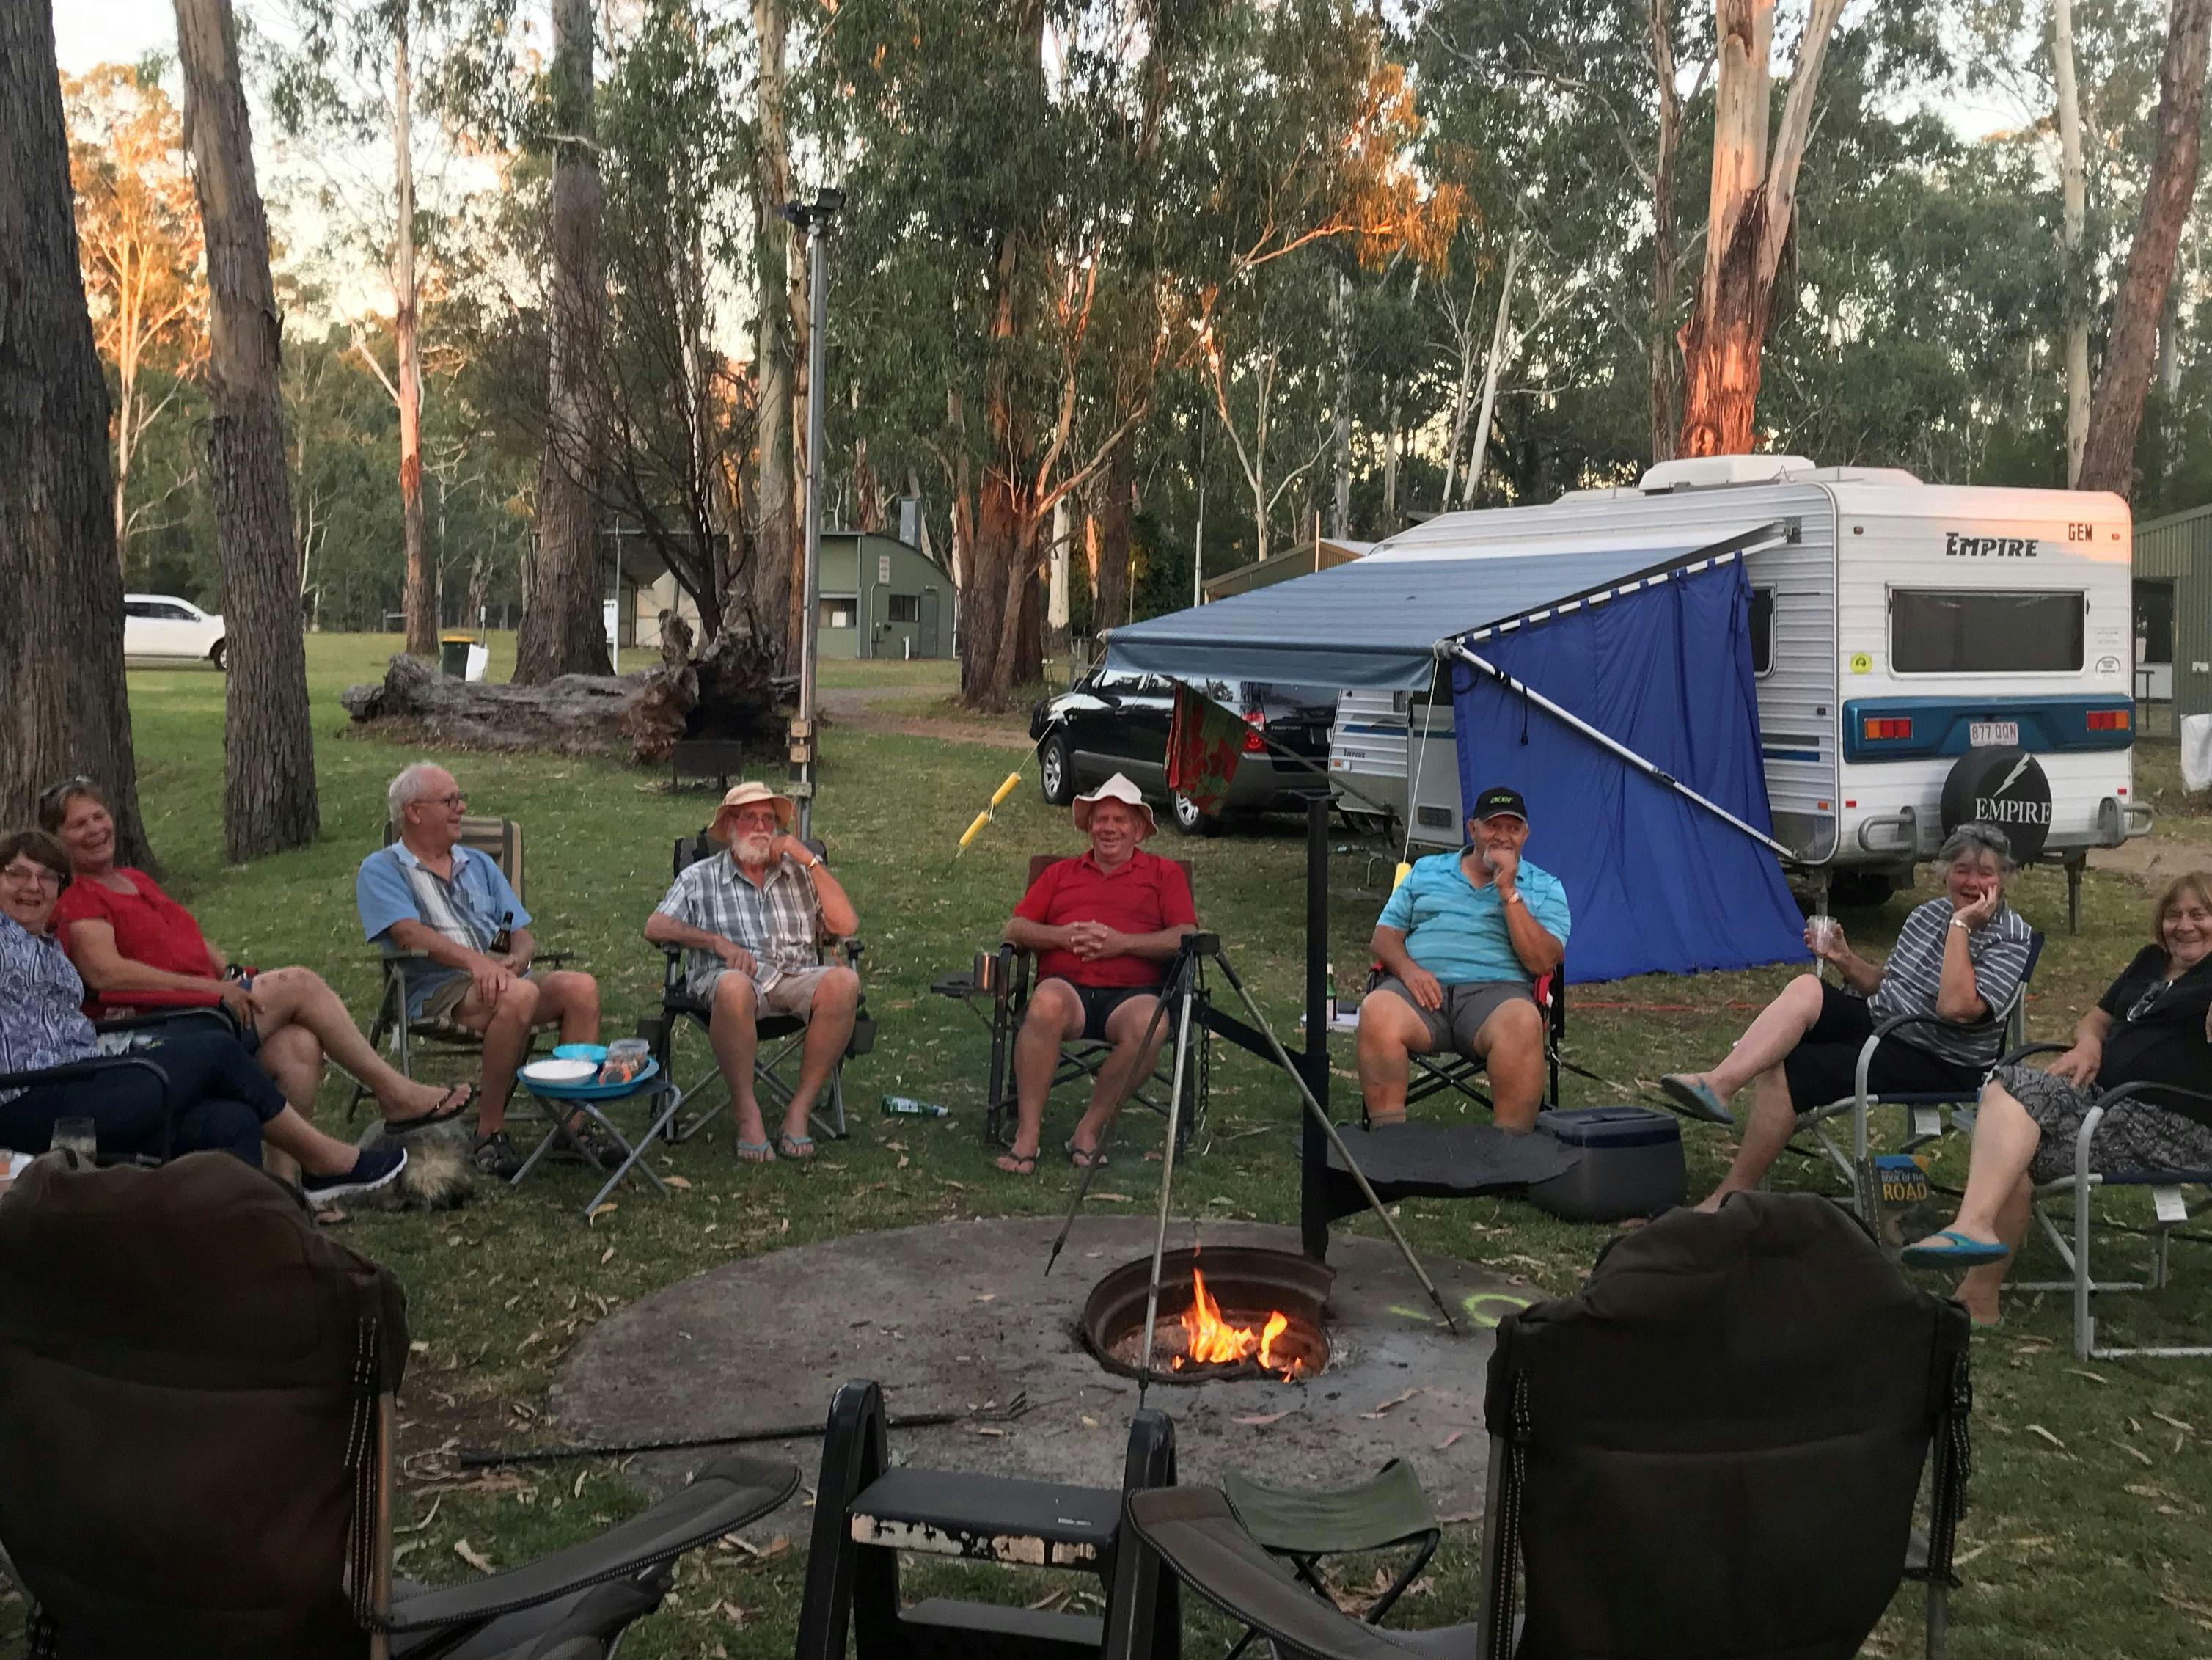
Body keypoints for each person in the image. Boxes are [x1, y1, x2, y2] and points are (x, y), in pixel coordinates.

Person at [40, 778, 473, 1145]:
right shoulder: (79, 897)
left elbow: (178, 944)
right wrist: (212, 988)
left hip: (201, 1003)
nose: (95, 829)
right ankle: (395, 1094)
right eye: (79, 824)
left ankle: (292, 1188)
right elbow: (106, 973)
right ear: (57, 841)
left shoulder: (132, 879)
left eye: (99, 816)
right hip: (160, 1027)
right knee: (299, 983)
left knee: (298, 1047)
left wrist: (215, 966)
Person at [0, 829, 406, 1200]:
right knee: (215, 1051)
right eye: (16, 873)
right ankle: (326, 1162)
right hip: (33, 1100)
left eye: (46, 876)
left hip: (91, 1075)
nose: (32, 886)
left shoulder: (47, 946)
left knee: (231, 1120)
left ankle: (247, 1240)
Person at [1663, 823, 2036, 1210]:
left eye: (1985, 872)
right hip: (1884, 1025)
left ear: (2003, 879)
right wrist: (1845, 959)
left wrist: (1961, 926)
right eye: (1961, 869)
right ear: (1944, 873)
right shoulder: (1927, 915)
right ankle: (1719, 1085)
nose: (1972, 881)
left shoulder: (2011, 936)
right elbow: (1887, 986)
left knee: (1789, 1067)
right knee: (1808, 988)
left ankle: (1729, 1195)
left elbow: (1955, 1009)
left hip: (1939, 1056)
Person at [1902, 872, 2212, 1322]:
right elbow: (2095, 1019)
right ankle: (1975, 1243)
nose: (2184, 926)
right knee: (2007, 1083)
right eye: (2173, 915)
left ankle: (1976, 1282)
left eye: (2199, 915)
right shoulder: (2151, 961)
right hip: (2103, 1102)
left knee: (2012, 1152)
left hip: (2168, 1124)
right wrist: (2089, 1043)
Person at [356, 763, 603, 1179]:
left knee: (580, 987)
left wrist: (518, 958)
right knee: (519, 995)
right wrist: (477, 963)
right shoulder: (381, 869)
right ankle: (489, 1134)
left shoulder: (479, 864)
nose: (462, 808)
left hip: (500, 980)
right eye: (450, 800)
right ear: (414, 811)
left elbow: (519, 931)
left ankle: (573, 1129)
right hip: (436, 989)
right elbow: (406, 934)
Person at [642, 782, 861, 1163]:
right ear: (730, 825)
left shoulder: (799, 872)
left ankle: (798, 1112)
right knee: (733, 986)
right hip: (732, 985)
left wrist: (806, 858)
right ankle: (747, 1114)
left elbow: (846, 926)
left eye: (769, 820)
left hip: (794, 976)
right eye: (749, 819)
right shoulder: (700, 877)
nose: (761, 828)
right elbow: (655, 926)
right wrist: (715, 943)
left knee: (845, 982)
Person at [998, 774, 1197, 1174]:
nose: (1109, 828)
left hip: (1133, 993)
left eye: (1120, 821)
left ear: (1139, 830)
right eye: (1101, 819)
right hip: (1067, 987)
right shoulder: (1060, 874)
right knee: (1045, 1007)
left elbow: (1186, 935)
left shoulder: (1164, 874)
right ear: (1089, 826)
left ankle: (1088, 1130)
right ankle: (1028, 1134)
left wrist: (1122, 944)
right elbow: (1015, 929)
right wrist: (1061, 936)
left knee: (1149, 1026)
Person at [1355, 786, 1570, 1132]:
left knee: (1522, 1023)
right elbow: (1383, 938)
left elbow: (1541, 962)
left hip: (1497, 999)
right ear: (1472, 829)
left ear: (1525, 835)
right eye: (1492, 827)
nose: (1502, 837)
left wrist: (1508, 891)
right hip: (1419, 993)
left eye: (1512, 829)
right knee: (1377, 1011)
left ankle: (1509, 1153)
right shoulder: (1426, 871)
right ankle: (1388, 1143)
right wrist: (1409, 971)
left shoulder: (1545, 887)